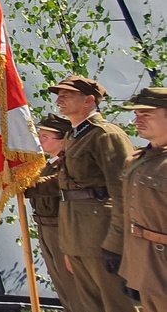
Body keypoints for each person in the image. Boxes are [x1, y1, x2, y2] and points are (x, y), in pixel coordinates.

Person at [49, 75, 136, 312]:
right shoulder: (73, 135)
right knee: (90, 305)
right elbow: (68, 187)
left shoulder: (106, 135)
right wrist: (68, 245)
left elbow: (123, 193)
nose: (59, 101)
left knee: (117, 304)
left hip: (101, 235)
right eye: (59, 96)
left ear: (88, 100)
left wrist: (116, 242)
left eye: (66, 95)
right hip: (77, 234)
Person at [118, 87, 167, 312]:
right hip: (144, 263)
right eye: (136, 114)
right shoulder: (137, 160)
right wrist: (130, 266)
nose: (138, 120)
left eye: (146, 114)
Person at [23, 113, 77, 310]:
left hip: (61, 229)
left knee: (73, 286)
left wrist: (24, 186)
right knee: (62, 286)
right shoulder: (48, 166)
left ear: (62, 140)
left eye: (45, 136)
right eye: (40, 135)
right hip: (46, 229)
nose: (40, 140)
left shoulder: (67, 166)